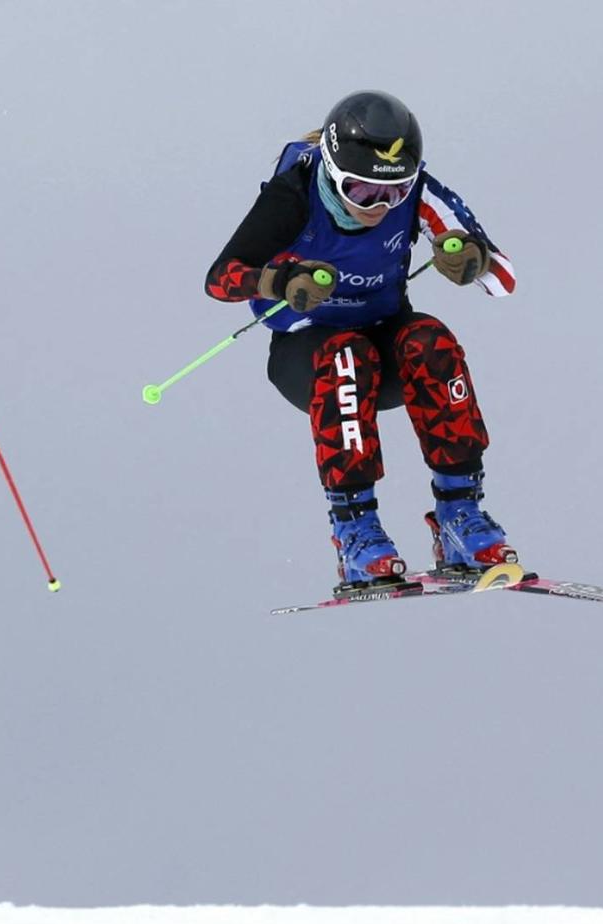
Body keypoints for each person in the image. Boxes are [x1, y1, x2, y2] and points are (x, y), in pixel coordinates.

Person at [204, 90, 518, 592]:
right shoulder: (295, 192)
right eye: (362, 192)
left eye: (393, 195)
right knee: (348, 356)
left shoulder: (417, 190)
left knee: (430, 341)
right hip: (307, 354)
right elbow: (221, 278)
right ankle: (354, 528)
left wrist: (470, 259)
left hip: (385, 345)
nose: (380, 207)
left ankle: (460, 515)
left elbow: (501, 277)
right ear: (330, 170)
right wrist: (279, 281)